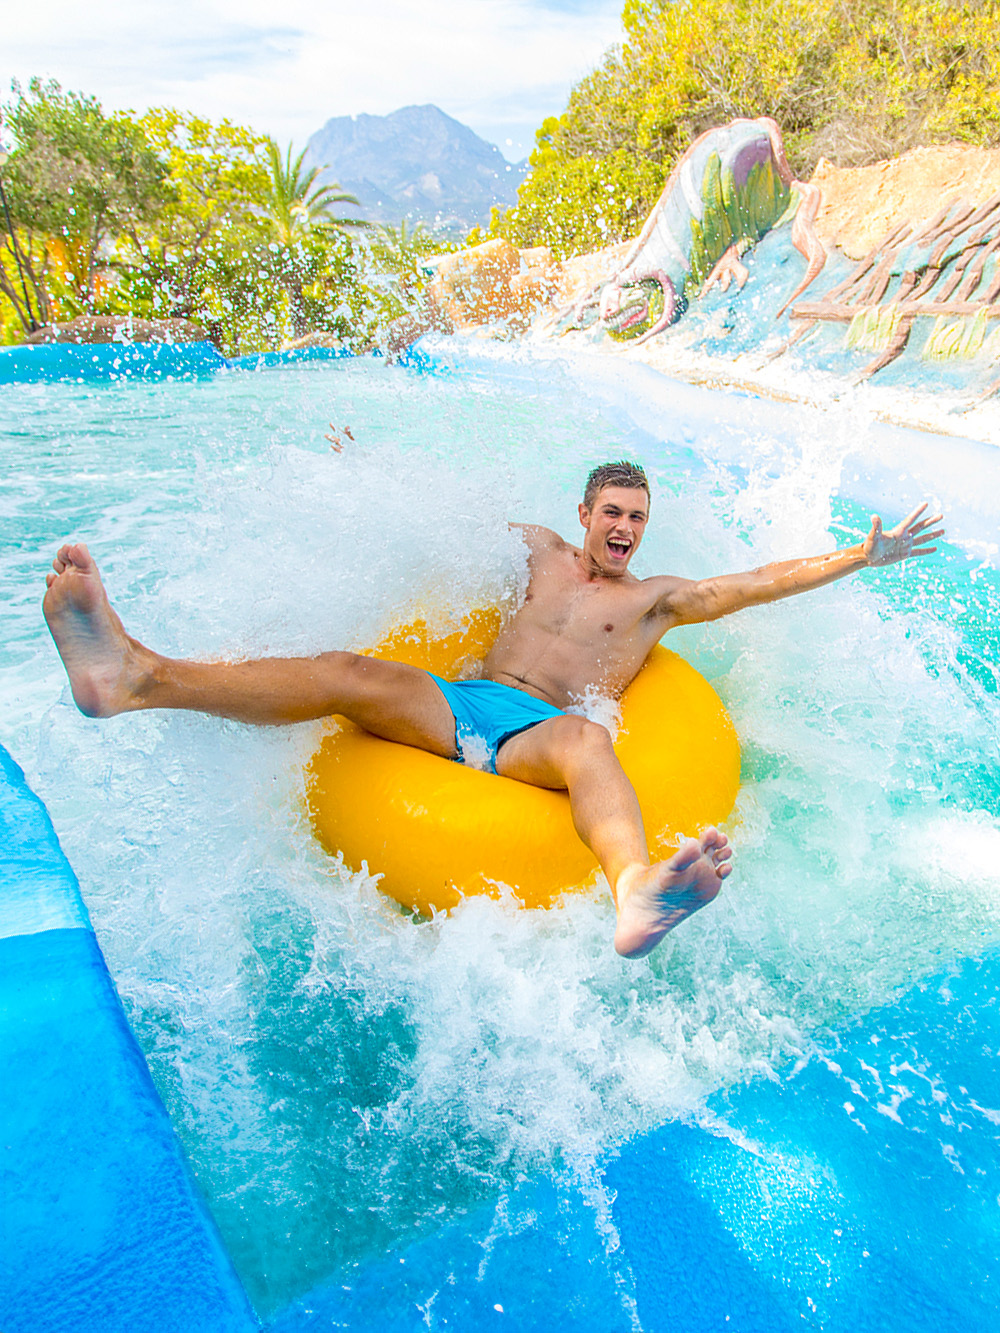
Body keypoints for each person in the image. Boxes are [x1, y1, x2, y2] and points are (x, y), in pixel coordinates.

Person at [42, 460, 943, 960]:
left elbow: (751, 584)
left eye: (638, 517)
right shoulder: (539, 553)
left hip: (533, 733)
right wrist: (350, 463)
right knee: (346, 669)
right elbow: (426, 508)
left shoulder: (655, 599)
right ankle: (135, 676)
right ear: (583, 513)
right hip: (457, 703)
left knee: (590, 735)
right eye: (613, 513)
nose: (625, 528)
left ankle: (635, 892)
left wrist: (858, 557)